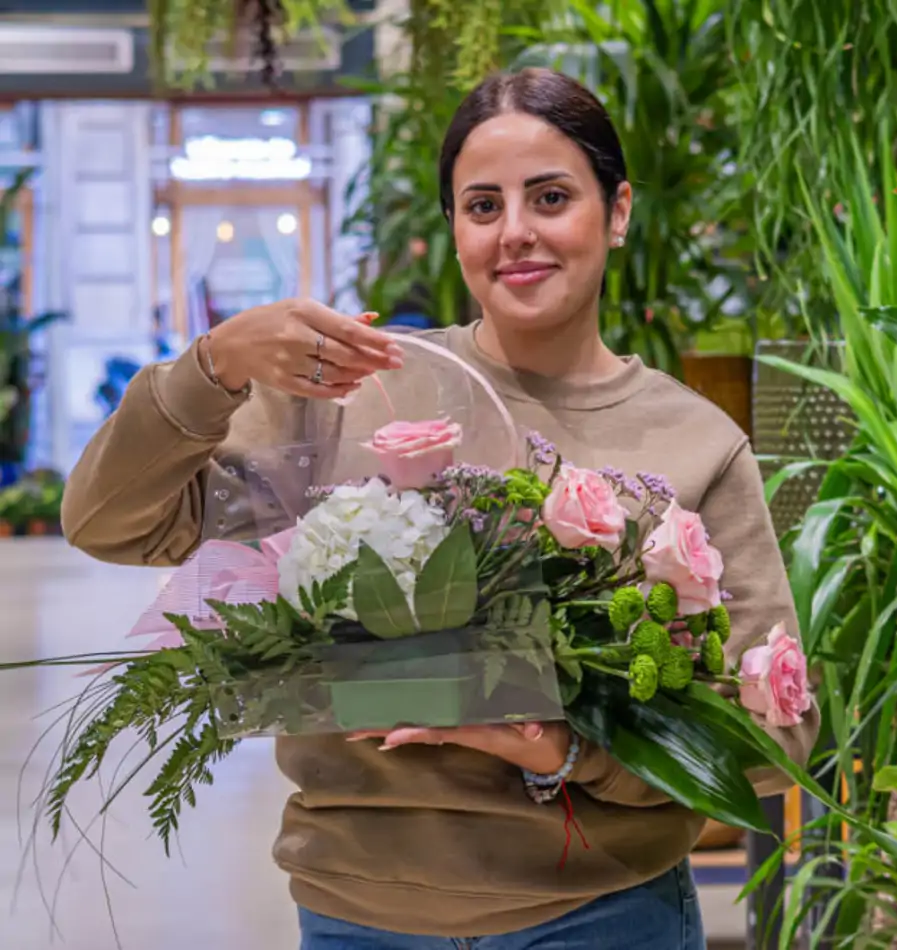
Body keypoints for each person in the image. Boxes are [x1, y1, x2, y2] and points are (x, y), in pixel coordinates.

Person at [62, 68, 819, 950]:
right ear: (455, 227)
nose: (517, 233)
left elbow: (777, 744)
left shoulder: (693, 440)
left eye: (550, 196)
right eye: (483, 205)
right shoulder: (352, 393)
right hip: (358, 918)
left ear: (616, 213)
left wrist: (565, 752)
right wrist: (214, 364)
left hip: (601, 918)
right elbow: (109, 520)